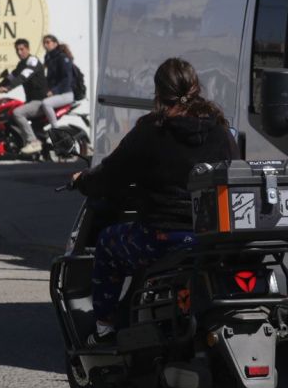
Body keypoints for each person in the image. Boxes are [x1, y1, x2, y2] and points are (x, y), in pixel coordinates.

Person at [72, 58, 240, 346]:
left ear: (158, 92)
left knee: (109, 244)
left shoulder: (152, 130)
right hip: (209, 240)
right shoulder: (221, 130)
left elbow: (112, 173)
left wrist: (83, 180)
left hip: (162, 236)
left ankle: (104, 326)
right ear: (196, 87)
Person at [0, 38, 49, 155]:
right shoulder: (22, 64)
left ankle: (33, 141)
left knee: (17, 113)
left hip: (40, 101)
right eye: (17, 50)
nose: (19, 52)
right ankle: (22, 141)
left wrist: (8, 88)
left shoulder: (32, 61)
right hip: (32, 101)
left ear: (28, 49)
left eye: (22, 49)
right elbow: (12, 76)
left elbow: (23, 77)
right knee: (9, 114)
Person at [41, 34, 76, 141]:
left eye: (48, 42)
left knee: (46, 103)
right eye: (44, 43)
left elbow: (67, 79)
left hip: (66, 94)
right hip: (57, 93)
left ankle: (55, 129)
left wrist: (54, 91)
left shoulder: (62, 58)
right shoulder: (48, 57)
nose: (46, 45)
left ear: (55, 44)